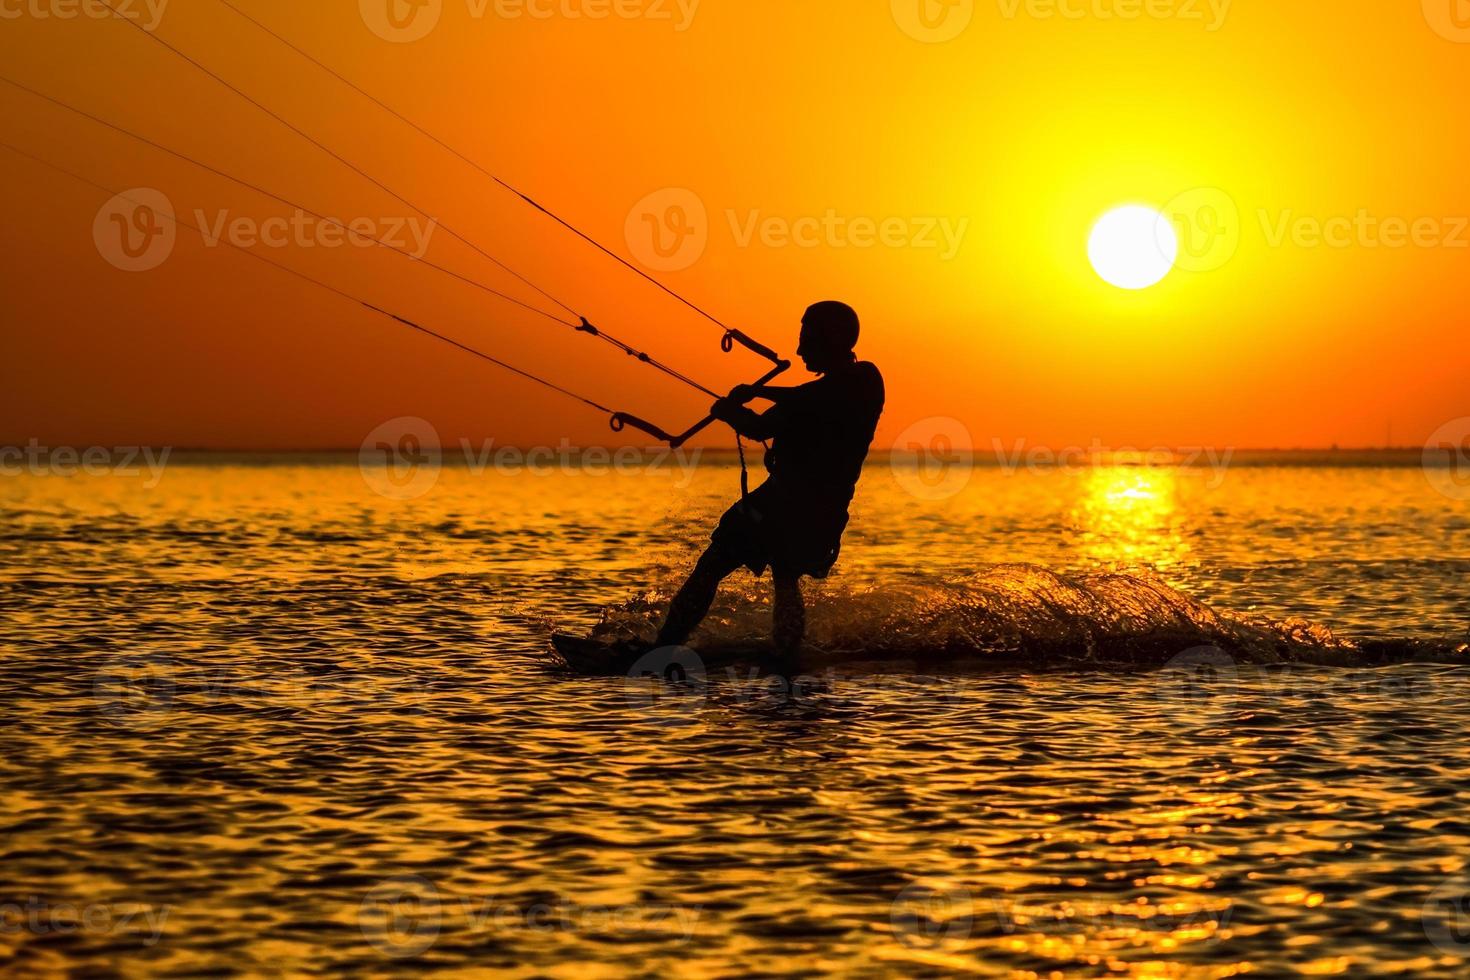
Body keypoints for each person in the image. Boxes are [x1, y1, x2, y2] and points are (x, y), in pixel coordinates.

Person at [654, 301, 885, 656]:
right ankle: (671, 646)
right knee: (725, 567)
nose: (799, 348)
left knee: (772, 572)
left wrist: (757, 391)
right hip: (780, 502)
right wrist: (732, 412)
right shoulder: (806, 398)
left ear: (833, 338)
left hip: (812, 510)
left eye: (807, 337)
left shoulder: (864, 380)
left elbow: (818, 398)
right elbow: (759, 426)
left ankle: (779, 654)